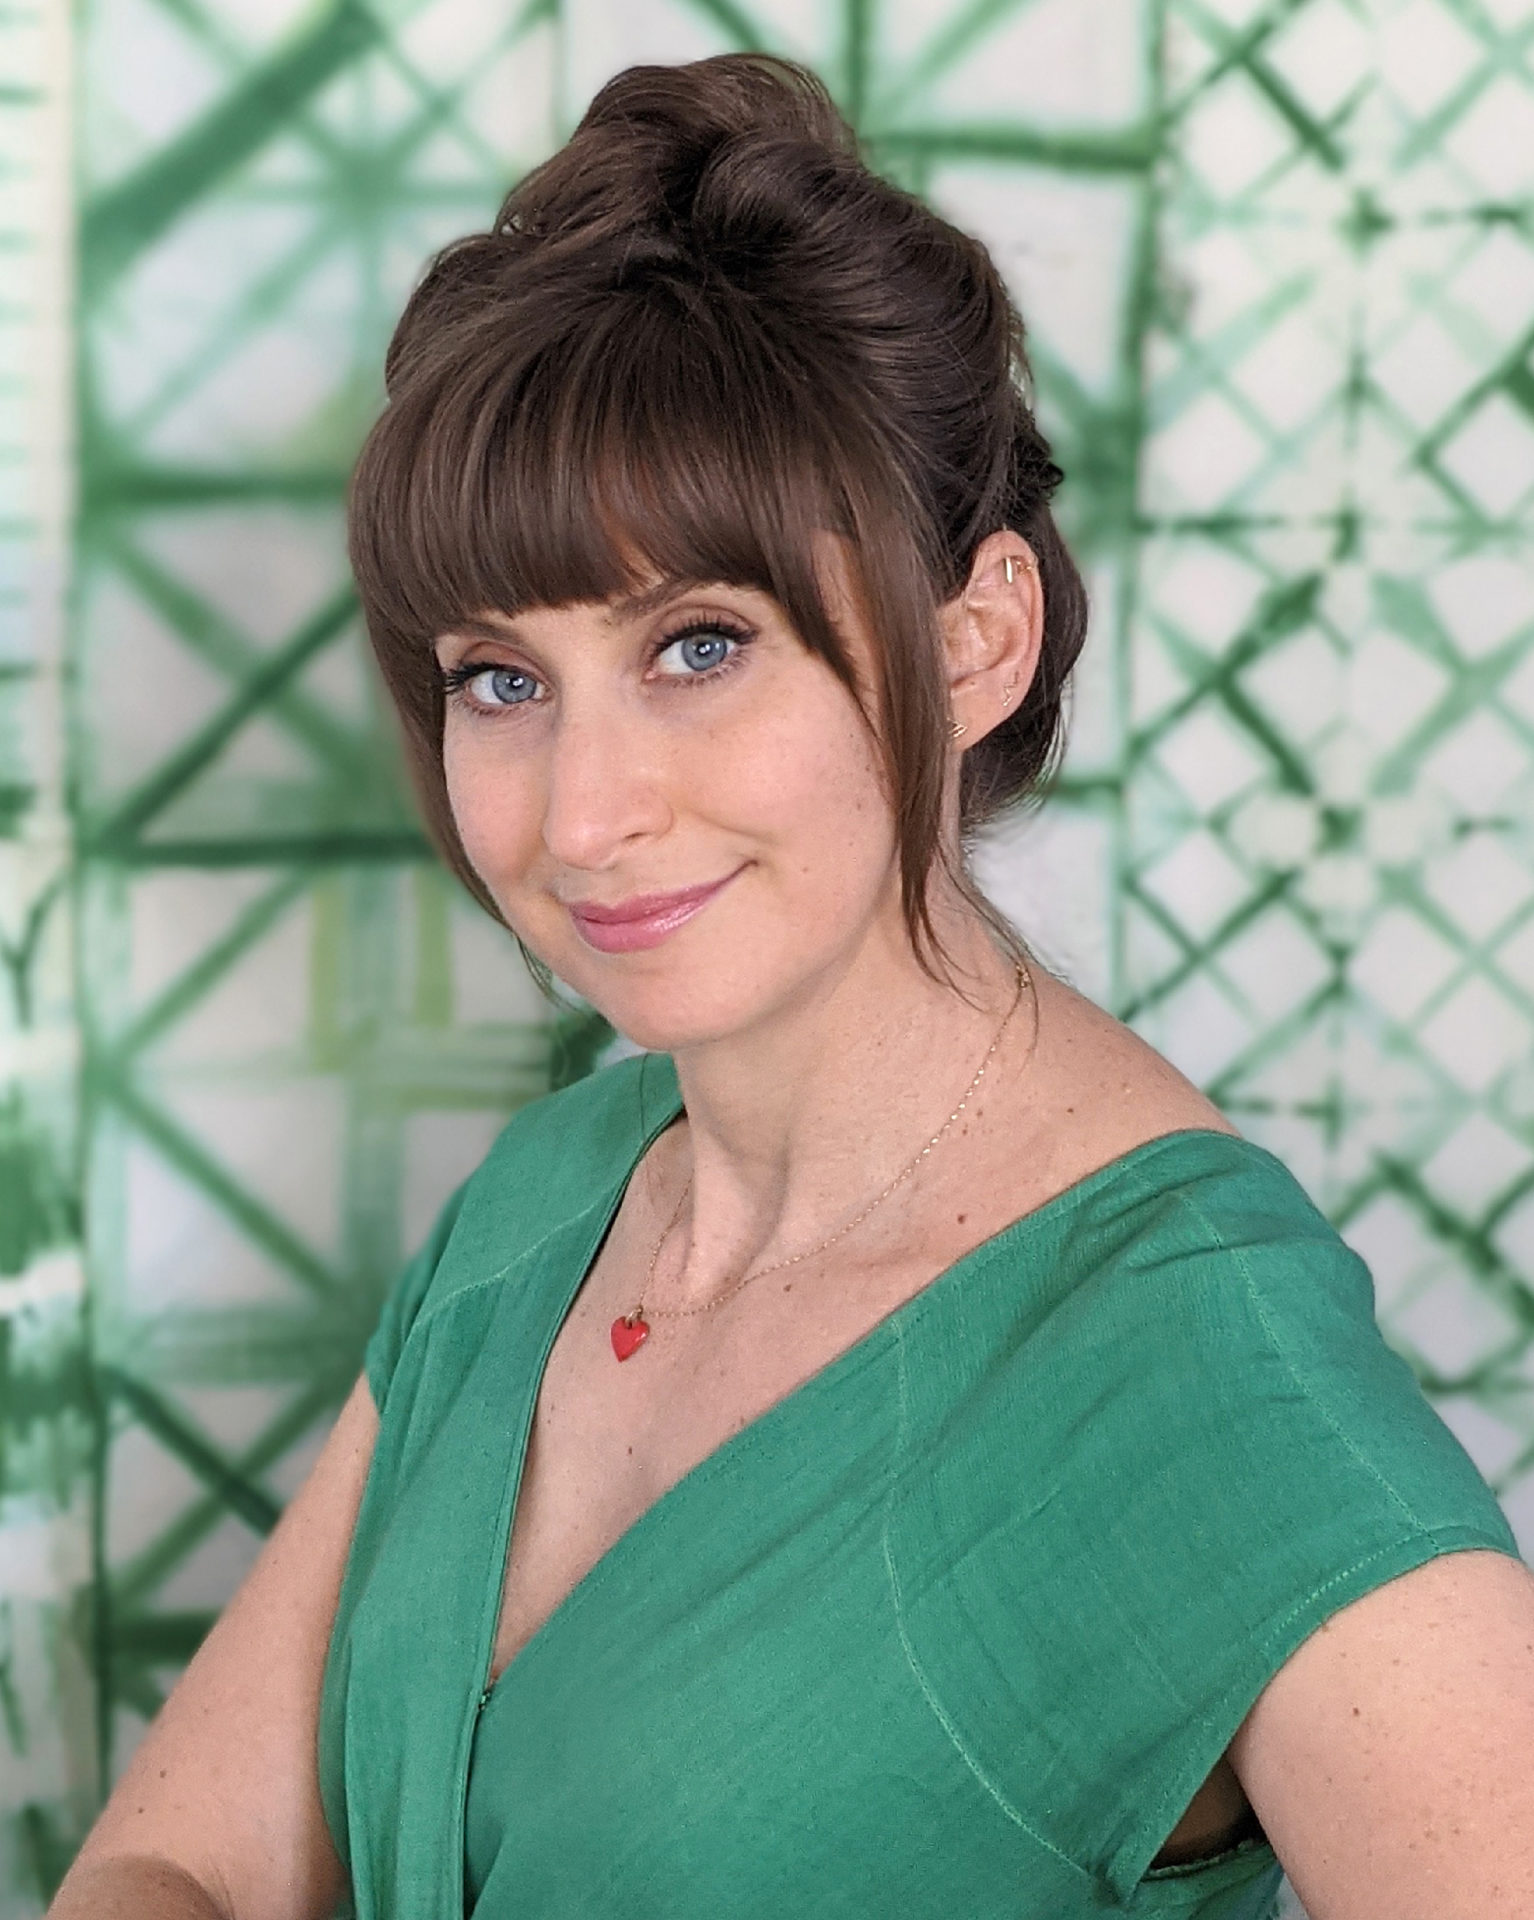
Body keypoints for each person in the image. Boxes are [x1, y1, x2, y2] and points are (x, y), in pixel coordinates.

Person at [49, 52, 1534, 1920]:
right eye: (501, 679)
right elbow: (183, 1860)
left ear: (973, 641)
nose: (581, 817)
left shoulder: (1190, 1379)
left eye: (698, 645)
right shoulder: (552, 1199)